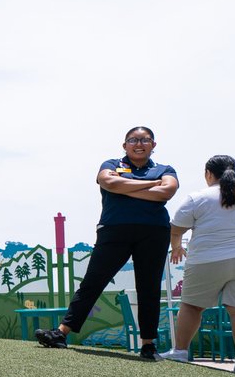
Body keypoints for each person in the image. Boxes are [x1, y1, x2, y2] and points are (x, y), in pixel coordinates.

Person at [35, 126, 179, 359]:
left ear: (153, 145)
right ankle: (61, 333)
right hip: (114, 230)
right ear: (125, 145)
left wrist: (126, 185)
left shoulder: (166, 169)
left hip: (154, 232)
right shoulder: (111, 165)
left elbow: (167, 191)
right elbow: (109, 183)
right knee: (93, 281)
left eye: (145, 140)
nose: (139, 144)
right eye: (133, 140)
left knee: (149, 287)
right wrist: (151, 184)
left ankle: (148, 345)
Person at [162, 155, 235, 374]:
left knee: (192, 305)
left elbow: (176, 227)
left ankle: (180, 352)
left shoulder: (197, 198)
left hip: (207, 259)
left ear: (208, 173)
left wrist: (176, 246)